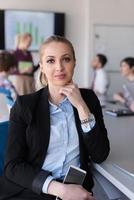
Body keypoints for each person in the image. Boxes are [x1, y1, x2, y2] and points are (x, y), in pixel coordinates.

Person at [0, 36, 110, 200]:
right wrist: (60, 190)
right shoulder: (25, 105)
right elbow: (13, 166)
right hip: (32, 190)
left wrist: (81, 107)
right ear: (42, 66)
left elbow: (100, 155)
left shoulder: (88, 99)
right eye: (51, 61)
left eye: (66, 59)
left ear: (74, 62)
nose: (59, 67)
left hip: (76, 189)